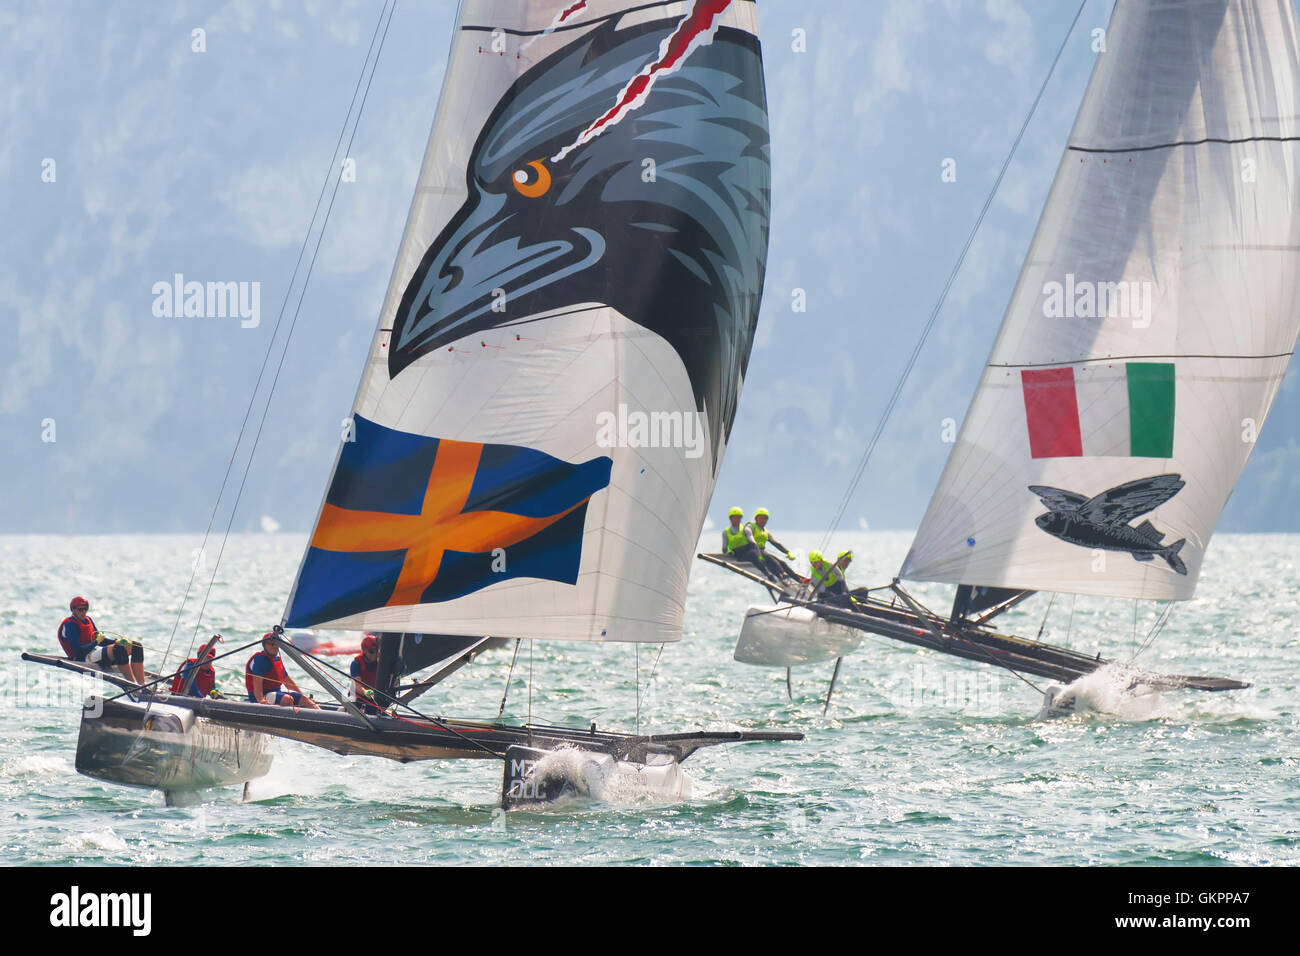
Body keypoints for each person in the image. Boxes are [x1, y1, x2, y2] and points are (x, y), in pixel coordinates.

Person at [57, 596, 145, 683]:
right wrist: (96, 642)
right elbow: (78, 652)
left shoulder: (88, 620)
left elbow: (101, 640)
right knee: (118, 649)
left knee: (136, 646)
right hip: (83, 659)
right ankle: (132, 685)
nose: (84, 612)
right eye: (80, 609)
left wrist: (116, 641)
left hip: (94, 653)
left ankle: (142, 684)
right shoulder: (70, 625)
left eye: (86, 609)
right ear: (73, 610)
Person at [245, 633, 320, 708]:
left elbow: (287, 681)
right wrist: (260, 699)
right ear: (264, 645)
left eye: (276, 644)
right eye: (271, 644)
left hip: (276, 692)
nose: (274, 646)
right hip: (259, 696)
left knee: (305, 700)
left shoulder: (277, 659)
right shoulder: (260, 659)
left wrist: (304, 696)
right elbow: (257, 683)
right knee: (288, 700)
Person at [746, 507, 801, 584]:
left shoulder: (765, 532)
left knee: (782, 563)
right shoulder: (750, 527)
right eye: (761, 518)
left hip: (761, 552)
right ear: (756, 518)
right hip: (751, 551)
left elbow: (775, 543)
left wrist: (787, 552)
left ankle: (799, 580)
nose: (763, 520)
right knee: (770, 559)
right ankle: (783, 575)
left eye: (765, 518)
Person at [351, 634, 385, 715]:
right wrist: (365, 692)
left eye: (377, 651)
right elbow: (358, 686)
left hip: (374, 696)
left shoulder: (381, 661)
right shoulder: (356, 663)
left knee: (373, 710)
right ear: (365, 651)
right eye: (371, 652)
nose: (375, 654)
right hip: (359, 695)